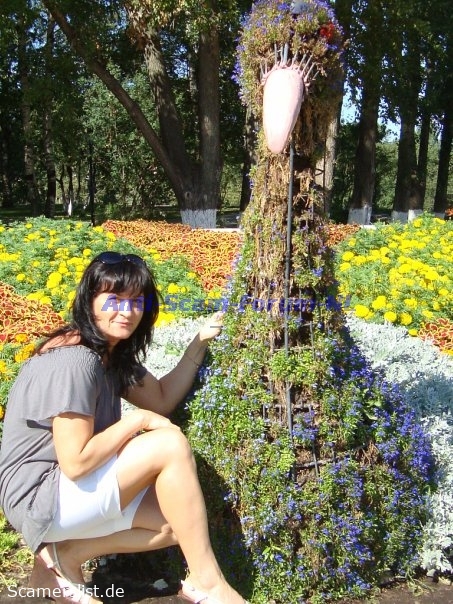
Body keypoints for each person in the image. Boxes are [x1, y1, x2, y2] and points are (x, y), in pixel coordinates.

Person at [0, 251, 246, 604]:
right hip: (38, 497)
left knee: (178, 520)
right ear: (90, 301)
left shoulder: (109, 354)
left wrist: (199, 342)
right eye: (114, 300)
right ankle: (208, 583)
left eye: (136, 302)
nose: (127, 311)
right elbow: (76, 462)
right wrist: (138, 421)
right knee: (168, 444)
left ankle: (66, 556)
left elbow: (161, 399)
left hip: (64, 491)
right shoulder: (75, 360)